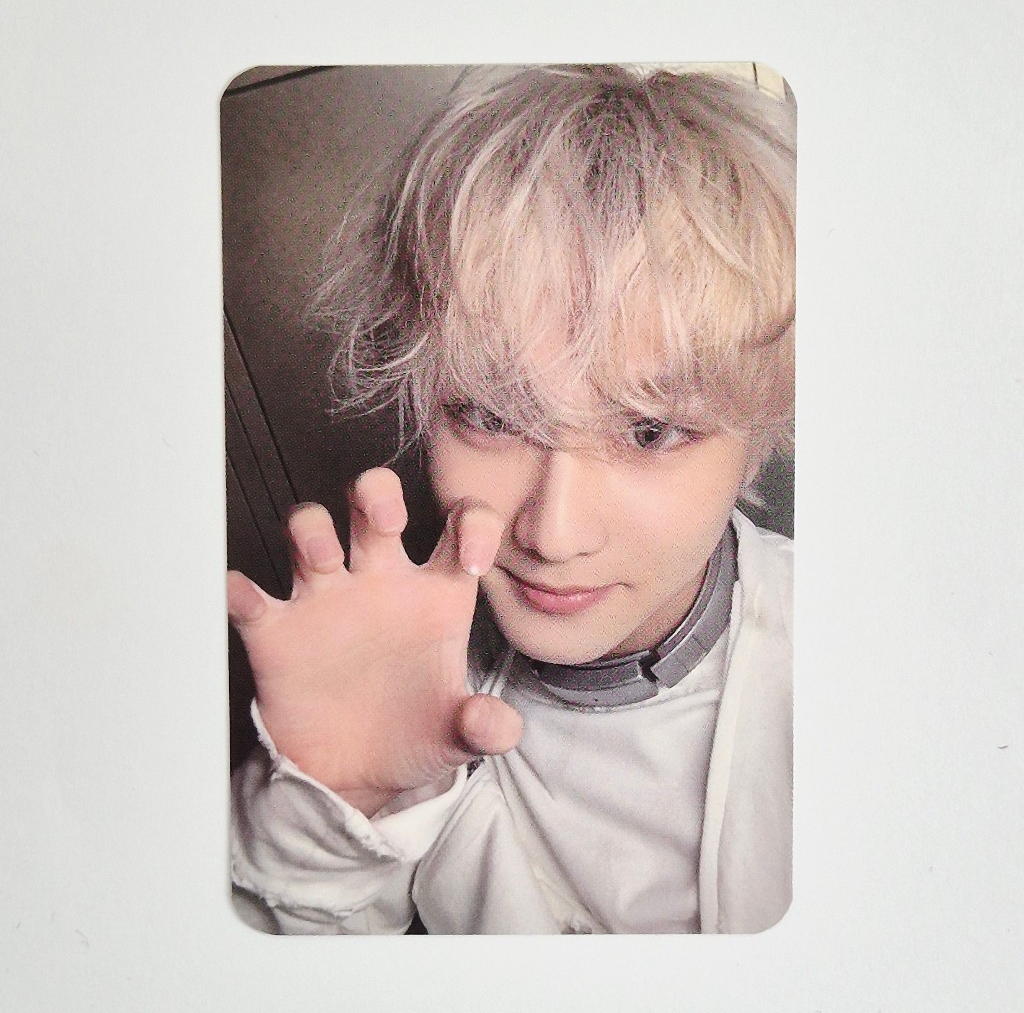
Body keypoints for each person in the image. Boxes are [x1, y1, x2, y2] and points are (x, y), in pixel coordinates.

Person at [228, 63, 795, 934]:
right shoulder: (397, 670)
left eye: (649, 432)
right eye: (492, 416)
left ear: (761, 432)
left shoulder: (878, 670)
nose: (552, 535)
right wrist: (325, 813)